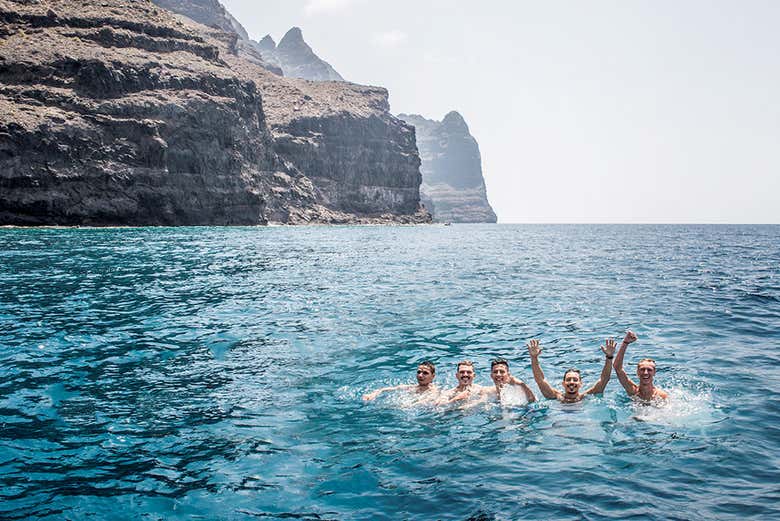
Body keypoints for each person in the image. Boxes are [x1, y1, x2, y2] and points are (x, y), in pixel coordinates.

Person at [526, 338, 616, 403]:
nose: (572, 382)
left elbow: (604, 379)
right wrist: (534, 358)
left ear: (581, 384)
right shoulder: (555, 396)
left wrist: (609, 357)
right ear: (563, 384)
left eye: (575, 380)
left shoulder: (586, 397)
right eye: (568, 379)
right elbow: (540, 380)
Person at [613, 331, 669, 401]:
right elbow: (617, 368)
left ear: (654, 372)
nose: (645, 373)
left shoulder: (662, 396)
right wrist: (625, 343)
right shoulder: (632, 391)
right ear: (637, 372)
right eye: (642, 369)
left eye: (649, 370)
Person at [362, 361, 439, 402]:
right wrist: (373, 394)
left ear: (433, 376)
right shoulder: (411, 387)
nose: (420, 375)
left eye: (425, 373)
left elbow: (425, 402)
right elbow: (384, 389)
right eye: (418, 372)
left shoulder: (434, 391)